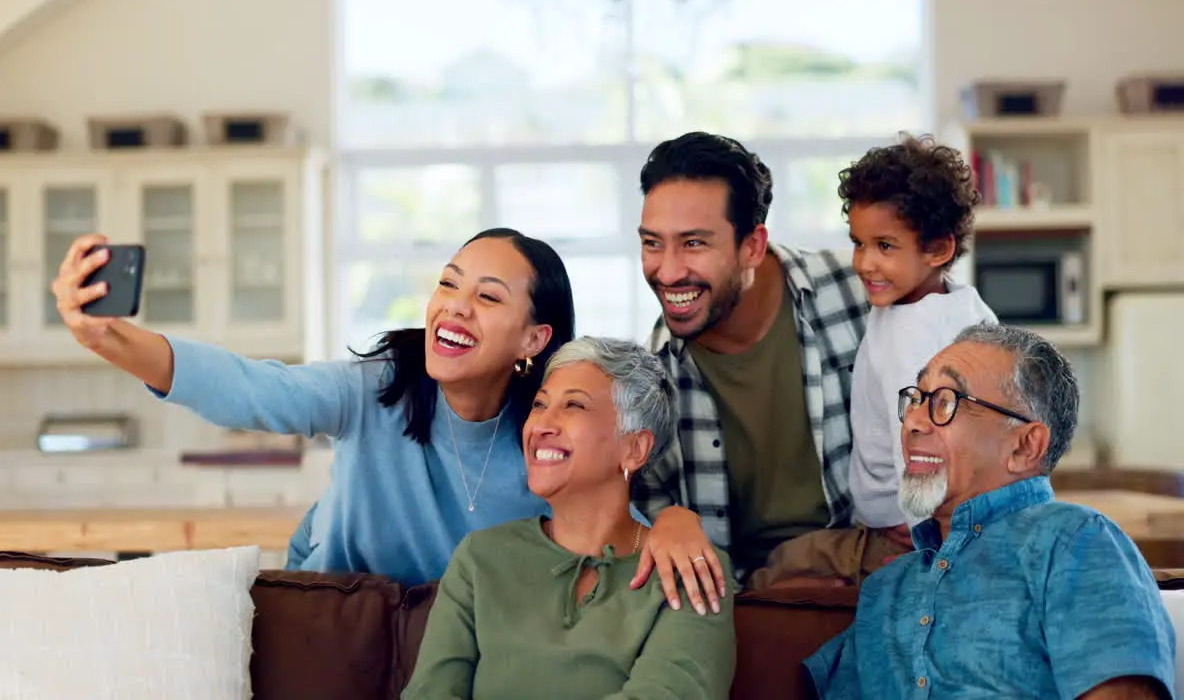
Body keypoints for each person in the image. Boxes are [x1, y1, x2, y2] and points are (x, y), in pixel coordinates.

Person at [51, 228, 574, 586]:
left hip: (459, 653)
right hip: (333, 625)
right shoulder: (374, 390)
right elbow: (252, 388)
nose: (455, 305)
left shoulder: (552, 441)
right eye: (448, 283)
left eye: (488, 297)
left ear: (533, 339)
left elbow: (612, 526)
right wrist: (108, 340)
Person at [804, 323, 1177, 699]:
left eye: (945, 402)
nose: (913, 422)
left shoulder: (1074, 541)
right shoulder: (887, 589)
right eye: (916, 398)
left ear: (1024, 447)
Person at [403, 336, 736, 700]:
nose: (541, 424)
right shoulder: (480, 558)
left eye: (574, 405)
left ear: (634, 448)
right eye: (539, 404)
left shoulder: (690, 570)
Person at [746, 134, 999, 590]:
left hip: (899, 533)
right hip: (950, 513)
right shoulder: (965, 306)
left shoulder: (914, 339)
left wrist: (926, 543)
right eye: (858, 243)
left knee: (773, 570)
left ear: (939, 250)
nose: (863, 263)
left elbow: (921, 442)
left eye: (885, 246)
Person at [629, 131, 870, 602]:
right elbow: (649, 518)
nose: (669, 271)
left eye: (694, 243)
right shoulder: (651, 379)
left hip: (877, 569)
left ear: (753, 247)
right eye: (652, 243)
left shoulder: (860, 291)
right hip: (746, 599)